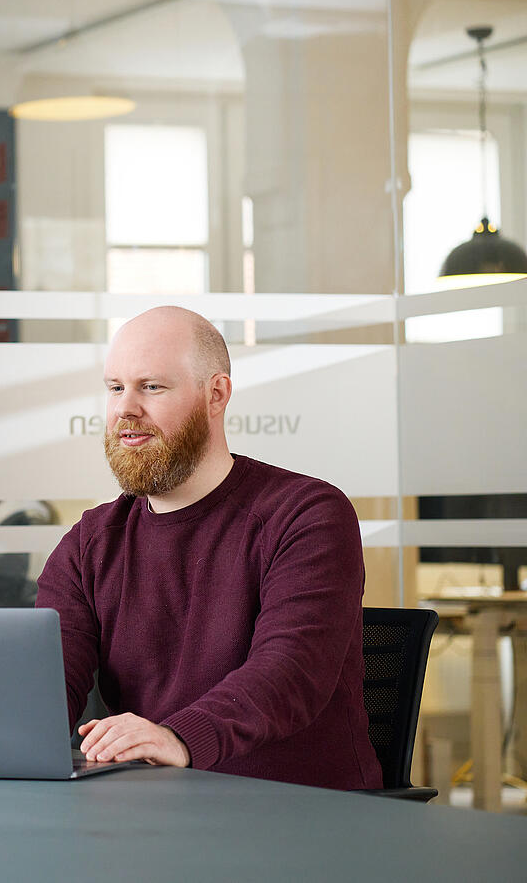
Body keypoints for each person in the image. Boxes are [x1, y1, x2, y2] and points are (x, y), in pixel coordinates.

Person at [35, 305, 381, 790]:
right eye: (116, 388)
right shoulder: (89, 543)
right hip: (153, 814)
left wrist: (177, 738)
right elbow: (46, 679)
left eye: (151, 387)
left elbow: (290, 670)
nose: (125, 409)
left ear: (215, 394)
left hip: (297, 816)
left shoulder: (307, 514)